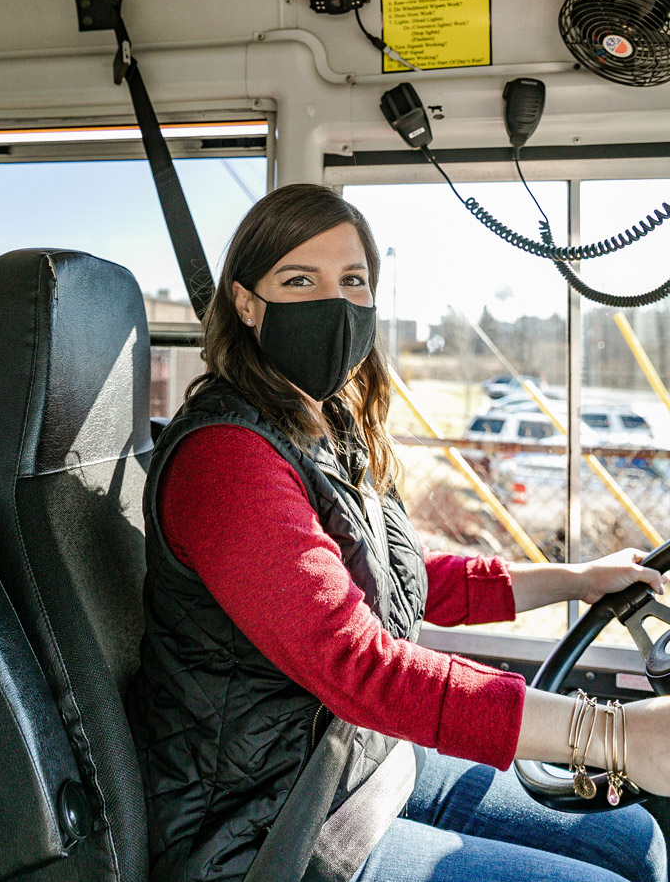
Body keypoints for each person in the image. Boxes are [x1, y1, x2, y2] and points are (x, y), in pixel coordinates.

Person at [130, 183, 670, 882]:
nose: (335, 303)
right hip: (264, 825)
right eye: (300, 280)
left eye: (353, 280)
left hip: (352, 762)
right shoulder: (226, 457)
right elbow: (359, 667)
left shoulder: (326, 426)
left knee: (635, 838)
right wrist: (612, 732)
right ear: (246, 302)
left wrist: (577, 578)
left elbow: (406, 578)